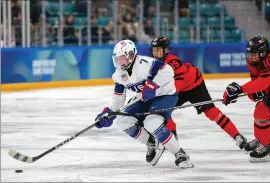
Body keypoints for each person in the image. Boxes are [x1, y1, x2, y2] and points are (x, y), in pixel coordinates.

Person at [94, 40, 194, 169]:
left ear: (131, 55)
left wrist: (153, 84)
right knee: (122, 120)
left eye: (122, 58)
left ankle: (180, 154)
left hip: (165, 95)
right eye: (118, 59)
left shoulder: (145, 64)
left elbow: (168, 70)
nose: (119, 62)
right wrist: (108, 112)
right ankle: (151, 143)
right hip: (145, 98)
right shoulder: (119, 75)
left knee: (151, 122)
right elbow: (119, 99)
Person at [150, 36, 247, 149]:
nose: (155, 52)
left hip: (194, 85)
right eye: (154, 50)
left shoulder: (173, 62)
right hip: (177, 89)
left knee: (211, 112)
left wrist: (163, 95)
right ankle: (172, 136)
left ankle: (237, 136)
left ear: (166, 50)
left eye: (158, 50)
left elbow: (179, 82)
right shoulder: (153, 63)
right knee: (162, 110)